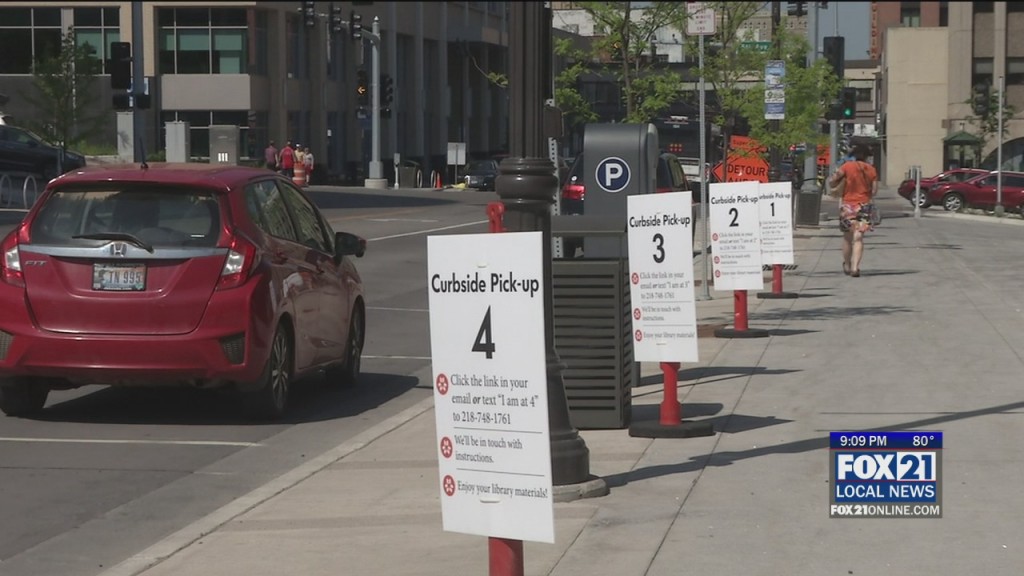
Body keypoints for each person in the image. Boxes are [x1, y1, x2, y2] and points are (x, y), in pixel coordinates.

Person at [829, 144, 878, 278]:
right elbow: (874, 191)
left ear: (854, 155)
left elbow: (833, 180)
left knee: (847, 237)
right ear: (867, 156)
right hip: (864, 206)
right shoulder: (871, 170)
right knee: (859, 237)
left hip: (848, 205)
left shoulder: (847, 166)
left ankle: (847, 264)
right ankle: (856, 267)